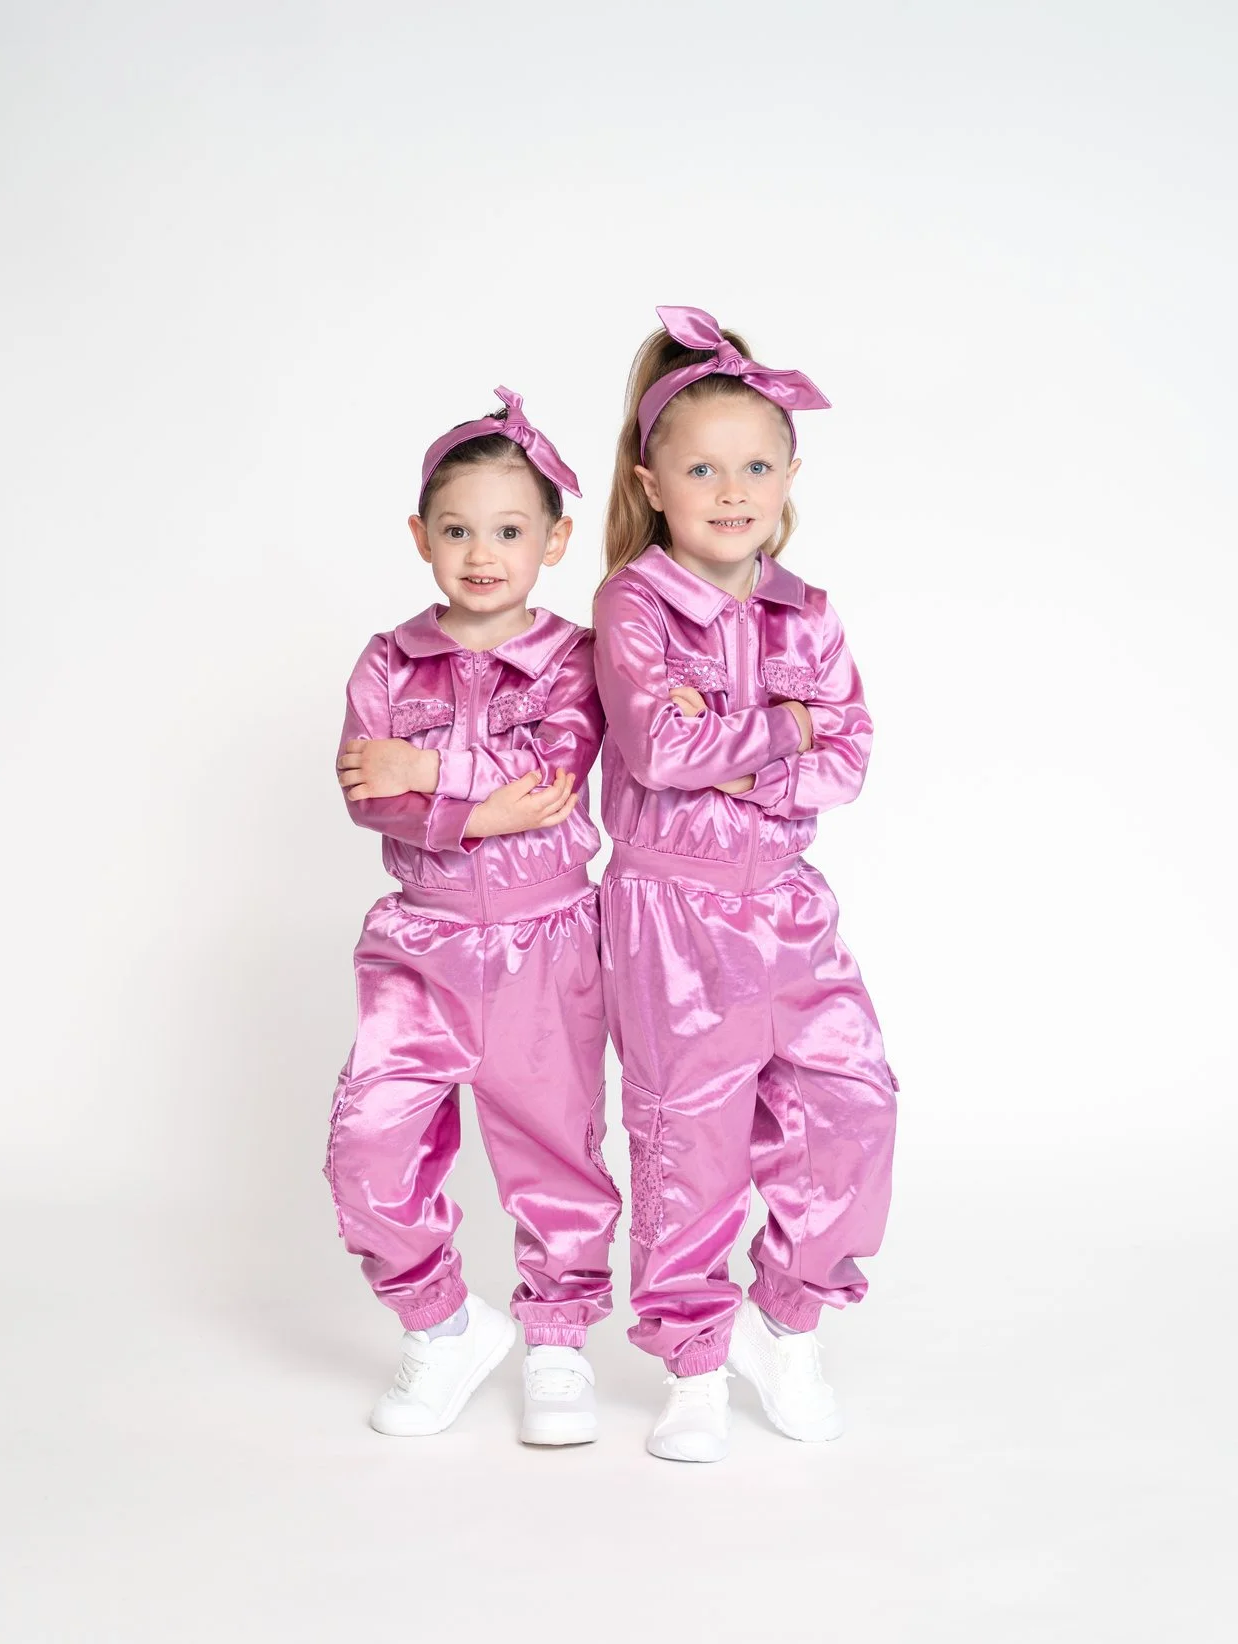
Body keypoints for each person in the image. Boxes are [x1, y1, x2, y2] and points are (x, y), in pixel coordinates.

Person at [591, 309, 901, 1462]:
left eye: (757, 465)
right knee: (689, 1135)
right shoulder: (631, 605)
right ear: (653, 482)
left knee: (851, 1101)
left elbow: (850, 757)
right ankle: (693, 1365)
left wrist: (730, 733)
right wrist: (781, 727)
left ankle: (787, 1318)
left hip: (786, 904)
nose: (733, 489)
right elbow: (658, 756)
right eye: (703, 467)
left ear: (791, 476)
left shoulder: (803, 611)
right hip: (672, 913)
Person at [326, 389, 621, 1445]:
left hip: (545, 939)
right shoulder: (387, 660)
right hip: (422, 939)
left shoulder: (577, 661)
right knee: (369, 1143)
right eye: (456, 530)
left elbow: (552, 778)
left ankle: (556, 1342)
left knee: (554, 1147)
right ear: (419, 537)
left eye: (507, 530)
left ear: (552, 539)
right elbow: (368, 790)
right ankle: (444, 1326)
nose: (481, 553)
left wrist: (432, 774)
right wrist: (475, 800)